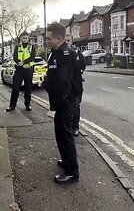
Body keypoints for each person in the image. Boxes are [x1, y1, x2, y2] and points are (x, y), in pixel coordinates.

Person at [44, 23, 82, 185]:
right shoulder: (56, 53)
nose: (46, 41)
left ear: (59, 38)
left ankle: (72, 172)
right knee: (61, 135)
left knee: (66, 137)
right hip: (63, 103)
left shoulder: (65, 55)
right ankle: (67, 162)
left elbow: (64, 83)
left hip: (66, 103)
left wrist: (59, 103)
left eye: (48, 38)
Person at [6, 32, 36, 112]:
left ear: (28, 38)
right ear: (21, 38)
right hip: (19, 69)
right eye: (23, 38)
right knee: (15, 88)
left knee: (28, 89)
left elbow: (32, 57)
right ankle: (12, 105)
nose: (25, 39)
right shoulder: (17, 47)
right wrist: (19, 62)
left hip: (28, 69)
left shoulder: (32, 47)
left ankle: (27, 105)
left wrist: (24, 62)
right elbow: (15, 57)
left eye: (26, 38)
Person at [65, 36, 85, 136]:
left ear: (72, 42)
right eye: (65, 41)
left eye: (68, 41)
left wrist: (78, 73)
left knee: (75, 107)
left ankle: (75, 127)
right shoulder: (61, 54)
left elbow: (83, 65)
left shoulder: (77, 53)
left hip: (76, 86)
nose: (67, 42)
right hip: (65, 87)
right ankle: (68, 126)